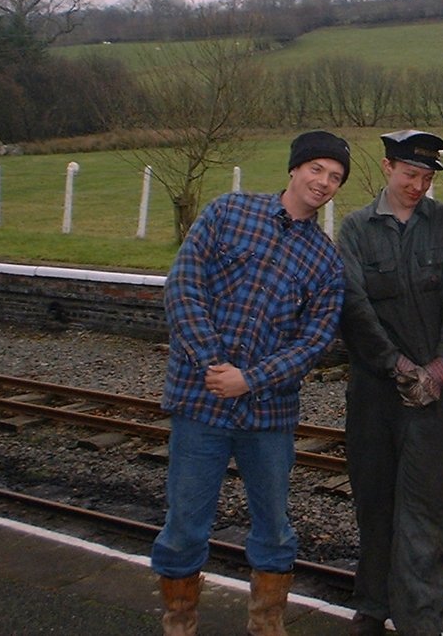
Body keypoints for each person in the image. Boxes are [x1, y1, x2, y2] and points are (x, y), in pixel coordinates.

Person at [151, 130, 351, 636]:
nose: (324, 182)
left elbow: (313, 343)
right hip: (201, 403)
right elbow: (184, 285)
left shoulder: (327, 261)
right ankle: (179, 623)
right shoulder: (227, 212)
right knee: (183, 527)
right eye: (317, 170)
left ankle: (266, 624)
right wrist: (214, 365)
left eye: (335, 177)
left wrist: (251, 379)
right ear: (294, 169)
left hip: (268, 416)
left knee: (275, 528)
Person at [337, 130, 443, 636]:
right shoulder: (355, 229)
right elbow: (352, 307)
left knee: (426, 505)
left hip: (432, 395)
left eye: (425, 177)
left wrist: (441, 369)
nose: (417, 185)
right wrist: (396, 366)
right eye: (408, 174)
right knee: (374, 502)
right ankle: (373, 605)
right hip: (375, 391)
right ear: (388, 167)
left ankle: (419, 617)